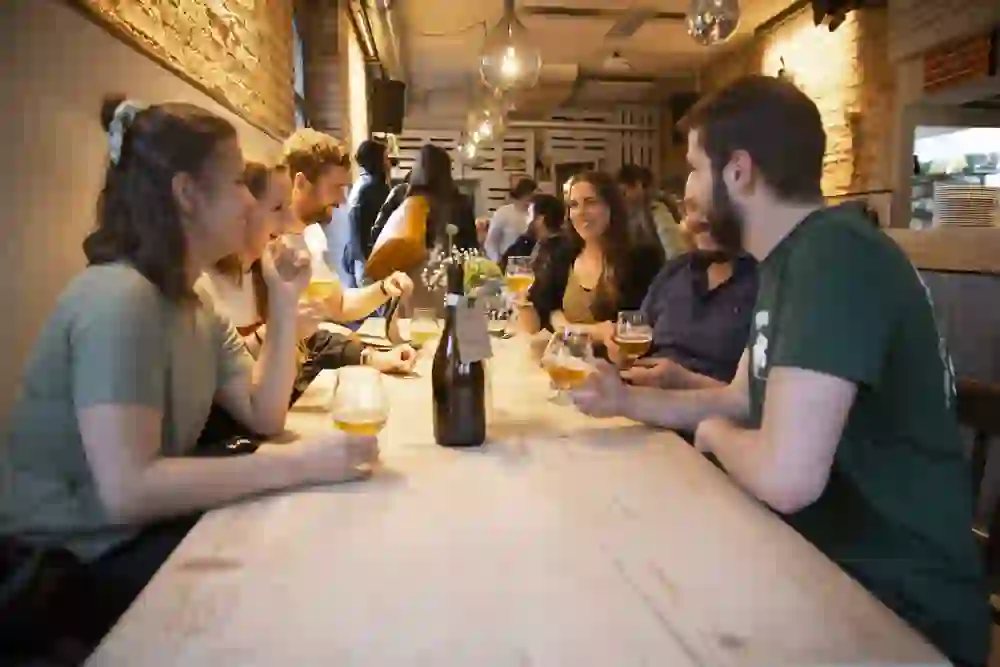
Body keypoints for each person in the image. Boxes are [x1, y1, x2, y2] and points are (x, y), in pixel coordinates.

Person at [570, 75, 990, 667]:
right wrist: (625, 400)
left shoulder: (833, 258)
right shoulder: (788, 260)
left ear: (738, 171)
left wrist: (710, 437)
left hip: (896, 610)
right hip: (817, 565)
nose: (688, 188)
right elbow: (742, 398)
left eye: (694, 169)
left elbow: (786, 477)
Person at [0, 97, 379, 655]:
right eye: (235, 182)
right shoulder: (120, 298)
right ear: (187, 194)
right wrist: (299, 464)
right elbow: (129, 490)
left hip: (128, 537)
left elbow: (265, 413)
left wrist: (281, 299)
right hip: (62, 568)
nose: (250, 200)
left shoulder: (192, 299)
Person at [199, 162, 415, 376]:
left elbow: (310, 339)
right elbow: (214, 378)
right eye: (277, 208)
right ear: (240, 212)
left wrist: (371, 356)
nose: (286, 222)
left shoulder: (264, 271)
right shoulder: (203, 286)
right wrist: (279, 331)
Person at [613, 173, 757, 389]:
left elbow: (766, 402)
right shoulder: (675, 271)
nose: (699, 220)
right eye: (692, 208)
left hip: (714, 419)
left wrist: (687, 382)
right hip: (644, 406)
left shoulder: (770, 281)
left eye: (714, 206)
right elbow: (637, 337)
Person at [517, 171, 664, 347]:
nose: (581, 213)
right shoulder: (564, 253)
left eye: (591, 202)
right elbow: (543, 318)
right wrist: (522, 301)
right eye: (573, 205)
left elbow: (639, 328)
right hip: (568, 366)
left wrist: (566, 327)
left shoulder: (642, 257)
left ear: (611, 207)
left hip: (619, 370)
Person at [280, 129, 413, 323]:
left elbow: (339, 305)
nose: (342, 200)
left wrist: (385, 287)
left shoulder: (312, 236)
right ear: (301, 183)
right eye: (336, 187)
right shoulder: (270, 243)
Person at [344, 139, 391, 287]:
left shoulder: (360, 185)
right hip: (371, 265)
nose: (389, 163)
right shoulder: (372, 190)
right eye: (386, 158)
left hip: (359, 263)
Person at [617, 164, 684, 260]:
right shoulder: (630, 212)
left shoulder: (657, 210)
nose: (623, 198)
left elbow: (673, 250)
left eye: (625, 192)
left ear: (638, 185)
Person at [499, 192, 565, 273]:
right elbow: (504, 266)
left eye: (528, 214)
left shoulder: (557, 253)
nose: (525, 218)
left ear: (540, 219)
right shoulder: (527, 243)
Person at [484, 178, 537, 262]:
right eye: (529, 195)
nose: (531, 199)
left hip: (530, 261)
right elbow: (491, 241)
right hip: (507, 260)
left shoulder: (535, 214)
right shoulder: (503, 213)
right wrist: (497, 261)